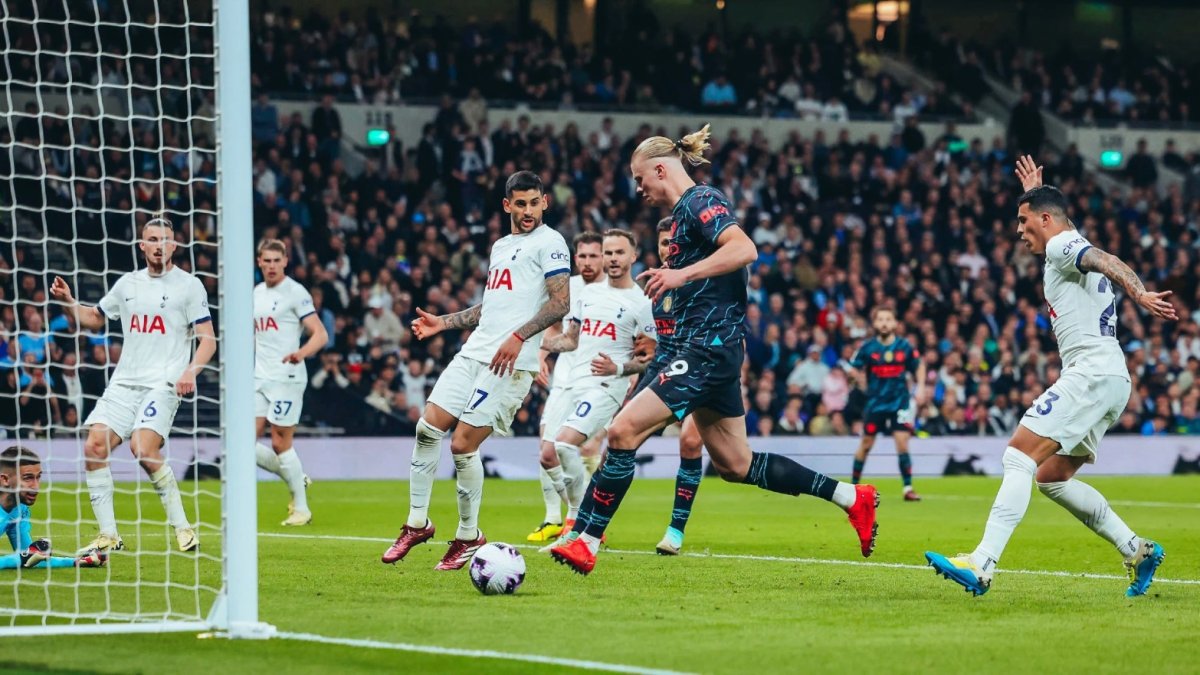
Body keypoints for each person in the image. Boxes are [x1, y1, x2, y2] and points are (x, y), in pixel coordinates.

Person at [550, 126, 879, 575]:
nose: (639, 188)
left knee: (622, 431)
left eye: (639, 177)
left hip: (707, 351)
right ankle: (850, 497)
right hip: (708, 352)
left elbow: (745, 249)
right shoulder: (687, 212)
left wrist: (681, 277)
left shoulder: (700, 201)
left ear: (660, 169)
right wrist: (675, 279)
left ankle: (585, 541)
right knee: (736, 464)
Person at [926, 156, 1176, 597]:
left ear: (1046, 220)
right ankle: (1136, 548)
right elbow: (1069, 229)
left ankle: (982, 563)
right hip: (1112, 378)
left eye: (1025, 222)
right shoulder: (1065, 238)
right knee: (1051, 477)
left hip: (1091, 372)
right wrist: (1036, 191)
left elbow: (1104, 258)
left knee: (1018, 456)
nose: (1019, 231)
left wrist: (1137, 292)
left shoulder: (1062, 247)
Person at [382, 171, 570, 570]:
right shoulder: (501, 246)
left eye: (533, 203)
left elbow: (560, 304)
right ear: (507, 206)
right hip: (476, 352)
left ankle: (469, 535)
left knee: (463, 445)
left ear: (544, 202)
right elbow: (492, 309)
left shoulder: (551, 243)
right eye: (519, 204)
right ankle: (417, 523)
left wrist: (519, 337)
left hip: (510, 361)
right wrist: (443, 322)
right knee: (427, 427)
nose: (527, 211)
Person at [51, 216, 215, 554]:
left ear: (175, 245)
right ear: (142, 245)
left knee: (142, 449)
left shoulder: (189, 286)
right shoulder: (127, 284)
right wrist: (68, 300)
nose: (159, 245)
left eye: (165, 240)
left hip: (164, 383)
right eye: (152, 239)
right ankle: (109, 534)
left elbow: (208, 340)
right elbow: (94, 318)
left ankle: (183, 528)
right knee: (94, 447)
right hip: (124, 383)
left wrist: (189, 372)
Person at [537, 229, 656, 553]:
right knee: (549, 450)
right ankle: (579, 524)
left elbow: (650, 358)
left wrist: (618, 369)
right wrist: (535, 344)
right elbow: (570, 341)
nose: (613, 259)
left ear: (633, 256)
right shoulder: (586, 295)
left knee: (563, 446)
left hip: (606, 386)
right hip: (572, 382)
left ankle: (576, 523)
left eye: (620, 253)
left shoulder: (643, 303)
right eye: (609, 252)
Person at [527, 231, 604, 544]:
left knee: (583, 448)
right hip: (565, 379)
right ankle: (557, 517)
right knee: (547, 451)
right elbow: (555, 327)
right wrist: (540, 356)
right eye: (582, 256)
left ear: (605, 256)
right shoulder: (567, 287)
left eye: (593, 256)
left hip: (598, 380)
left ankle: (584, 521)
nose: (587, 262)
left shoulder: (615, 291)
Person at [253, 239, 329, 526]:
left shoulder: (296, 293)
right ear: (259, 262)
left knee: (279, 442)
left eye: (276, 260)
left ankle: (301, 508)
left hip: (287, 378)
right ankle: (294, 475)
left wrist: (301, 353)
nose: (271, 265)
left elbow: (320, 334)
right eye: (266, 260)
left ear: (285, 261)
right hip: (259, 376)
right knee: (242, 445)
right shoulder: (256, 293)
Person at [849, 307, 926, 501]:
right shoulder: (868, 348)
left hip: (899, 403)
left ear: (894, 324)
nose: (884, 323)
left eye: (888, 319)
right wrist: (859, 380)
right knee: (866, 444)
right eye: (880, 319)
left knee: (902, 443)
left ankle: (908, 488)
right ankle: (852, 488)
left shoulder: (904, 346)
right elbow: (854, 367)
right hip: (875, 404)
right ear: (875, 324)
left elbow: (919, 366)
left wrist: (922, 387)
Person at [0, 445, 106, 570]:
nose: (36, 486)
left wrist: (77, 561)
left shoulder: (19, 510)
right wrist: (24, 557)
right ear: (5, 480)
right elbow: (25, 557)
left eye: (38, 477)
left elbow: (30, 558)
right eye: (28, 478)